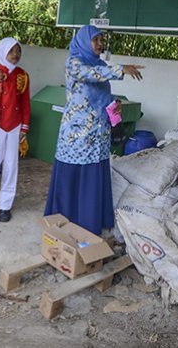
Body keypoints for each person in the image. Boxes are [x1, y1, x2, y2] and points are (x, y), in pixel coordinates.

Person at [44, 25, 143, 235]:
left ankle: (89, 224)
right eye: (95, 40)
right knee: (74, 179)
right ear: (83, 41)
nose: (100, 44)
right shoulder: (74, 63)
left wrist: (113, 106)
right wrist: (120, 69)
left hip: (98, 136)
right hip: (77, 137)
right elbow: (89, 74)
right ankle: (65, 223)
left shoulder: (100, 65)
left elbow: (100, 93)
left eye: (101, 40)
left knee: (92, 179)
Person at [0, 37, 31, 224]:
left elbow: (25, 103)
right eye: (11, 51)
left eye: (18, 51)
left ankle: (5, 207)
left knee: (11, 166)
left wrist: (24, 127)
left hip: (15, 126)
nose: (15, 55)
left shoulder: (23, 75)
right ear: (2, 52)